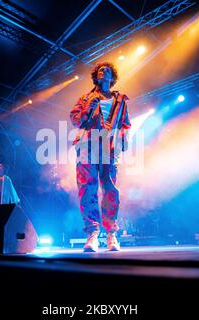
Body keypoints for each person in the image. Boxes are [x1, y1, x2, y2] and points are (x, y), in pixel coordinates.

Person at [70, 61, 131, 252]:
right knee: (87, 189)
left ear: (112, 78)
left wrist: (123, 140)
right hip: (87, 145)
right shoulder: (85, 98)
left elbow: (125, 124)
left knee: (110, 189)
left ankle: (112, 234)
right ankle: (92, 234)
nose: (104, 72)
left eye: (107, 71)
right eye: (100, 71)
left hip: (109, 147)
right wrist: (89, 107)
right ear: (96, 77)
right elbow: (75, 121)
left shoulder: (120, 100)